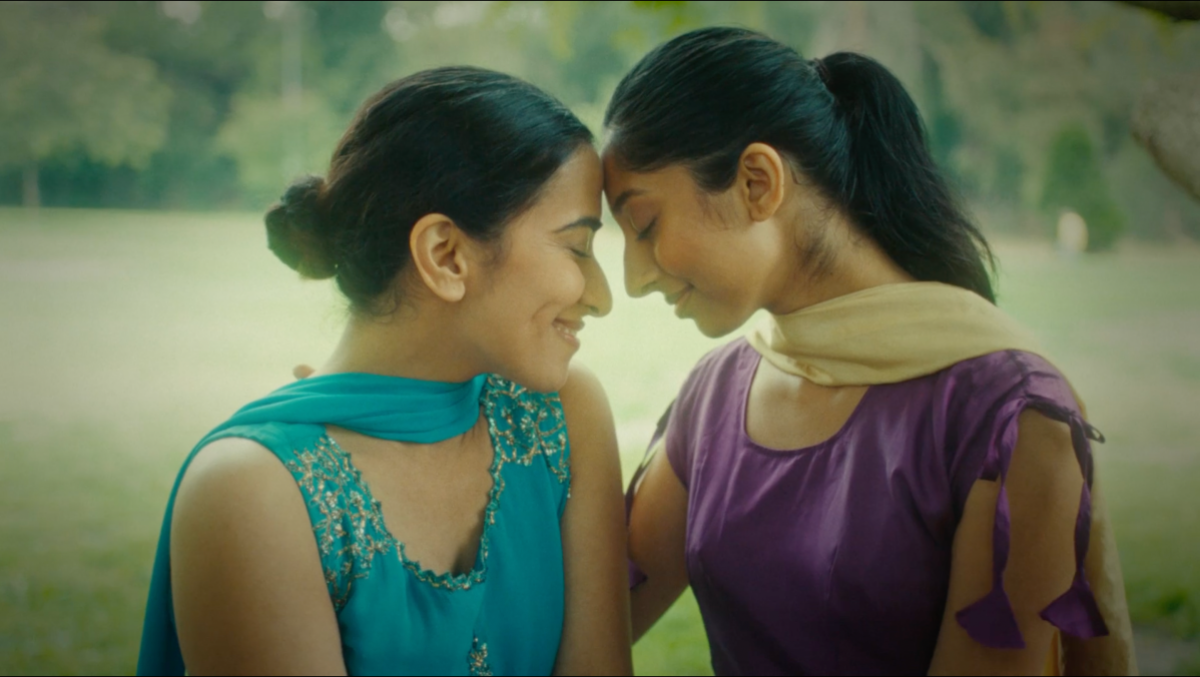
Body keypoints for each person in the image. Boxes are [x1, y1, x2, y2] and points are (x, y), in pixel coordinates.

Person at [604, 28, 1135, 675]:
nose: (633, 279)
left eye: (647, 225)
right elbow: (593, 622)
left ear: (757, 182)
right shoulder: (716, 392)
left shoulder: (1007, 418)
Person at [137, 67, 632, 676]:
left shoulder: (560, 414)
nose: (603, 296)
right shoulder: (253, 490)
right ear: (446, 255)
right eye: (578, 247)